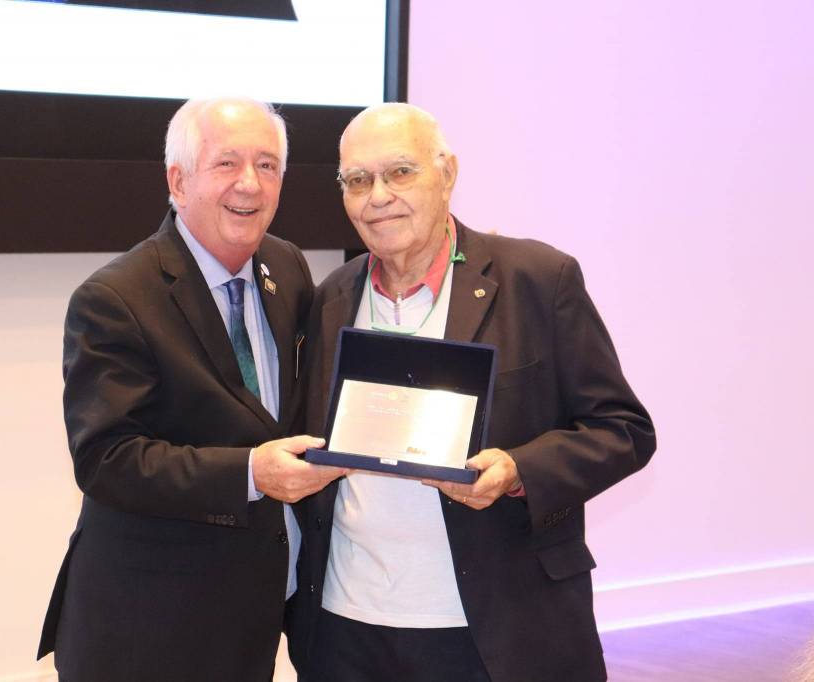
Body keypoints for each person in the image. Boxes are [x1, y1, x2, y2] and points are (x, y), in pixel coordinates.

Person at [288, 103, 656, 682]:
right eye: (357, 180)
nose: (378, 196)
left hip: (494, 628)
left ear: (448, 173)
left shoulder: (537, 280)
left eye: (400, 172)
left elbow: (623, 430)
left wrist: (518, 471)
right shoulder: (332, 296)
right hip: (346, 626)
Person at [37, 97, 345, 682]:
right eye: (227, 163)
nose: (250, 183)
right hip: (145, 628)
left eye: (267, 165)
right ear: (178, 181)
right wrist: (250, 473)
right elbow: (106, 460)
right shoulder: (115, 298)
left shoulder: (287, 267)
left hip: (248, 621)